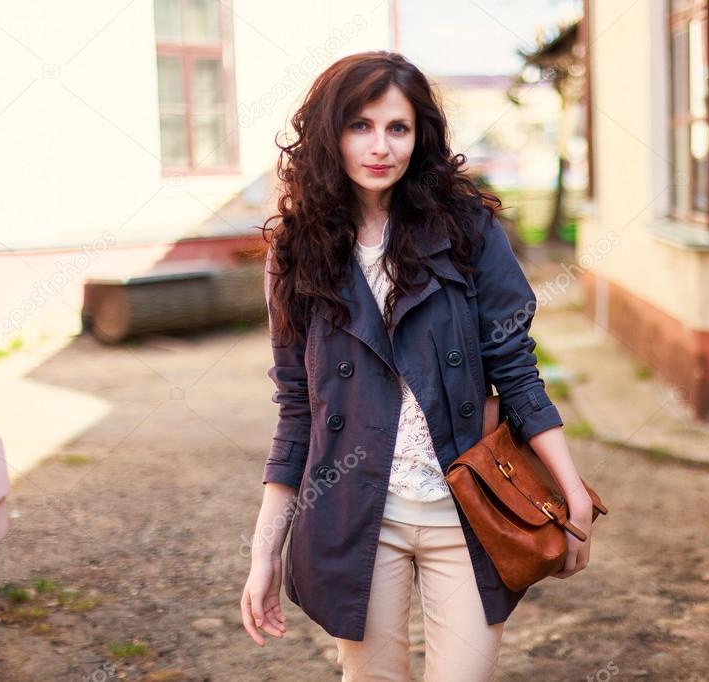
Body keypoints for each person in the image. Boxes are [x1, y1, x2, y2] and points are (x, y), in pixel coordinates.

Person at [240, 50, 594, 681]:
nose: (381, 147)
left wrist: (571, 495)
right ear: (329, 135)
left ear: (419, 135)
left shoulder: (467, 233)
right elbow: (297, 409)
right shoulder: (296, 257)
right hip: (355, 511)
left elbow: (515, 369)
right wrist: (264, 552)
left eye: (397, 127)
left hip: (466, 506)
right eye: (361, 125)